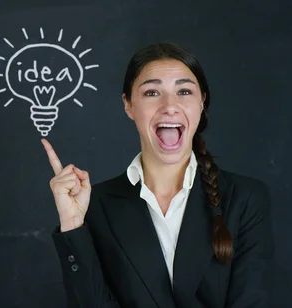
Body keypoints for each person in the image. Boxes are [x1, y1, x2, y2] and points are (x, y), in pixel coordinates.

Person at [41, 42, 274, 307]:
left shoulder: (244, 198)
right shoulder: (94, 205)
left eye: (184, 91)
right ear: (128, 105)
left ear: (202, 103)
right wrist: (73, 225)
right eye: (152, 92)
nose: (169, 106)